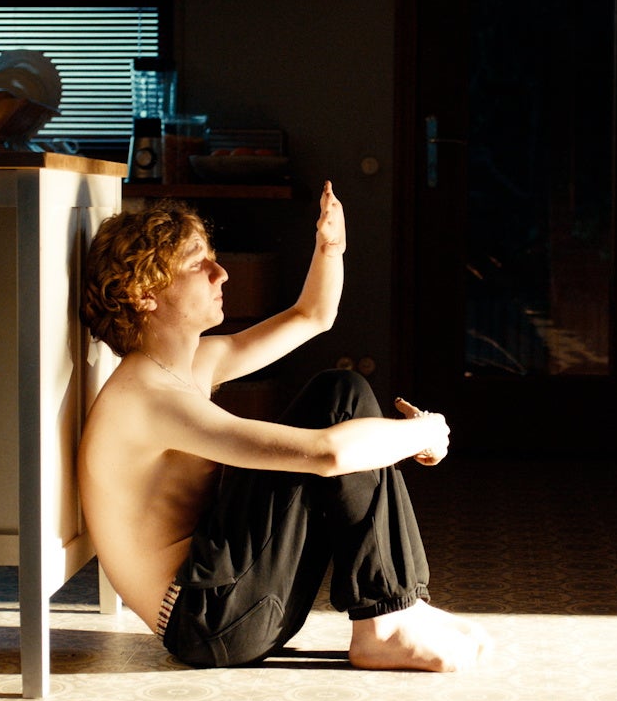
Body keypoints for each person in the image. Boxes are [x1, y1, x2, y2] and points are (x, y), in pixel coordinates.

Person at [76, 182, 491, 671]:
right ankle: (386, 623)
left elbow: (312, 316)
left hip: (226, 595)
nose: (220, 272)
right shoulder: (148, 397)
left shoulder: (188, 365)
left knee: (340, 392)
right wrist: (424, 431)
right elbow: (327, 454)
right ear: (144, 294)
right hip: (207, 620)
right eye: (197, 264)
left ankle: (399, 609)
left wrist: (330, 249)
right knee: (337, 417)